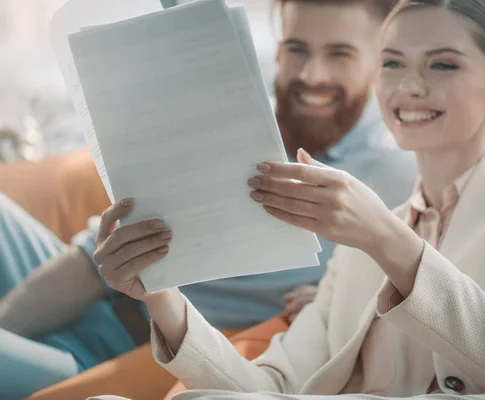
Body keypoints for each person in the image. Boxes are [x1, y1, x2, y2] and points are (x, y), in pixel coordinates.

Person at [92, 0, 485, 399]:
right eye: (393, 63)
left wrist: (383, 236)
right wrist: (159, 294)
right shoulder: (361, 243)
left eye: (442, 65)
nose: (410, 85)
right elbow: (270, 388)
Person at [0, 1, 418, 398]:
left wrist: (349, 298)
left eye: (340, 53)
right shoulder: (236, 116)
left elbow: (430, 286)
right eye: (296, 49)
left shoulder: (393, 175)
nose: (311, 73)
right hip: (85, 290)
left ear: (382, 60)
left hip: (120, 352)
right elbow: (91, 257)